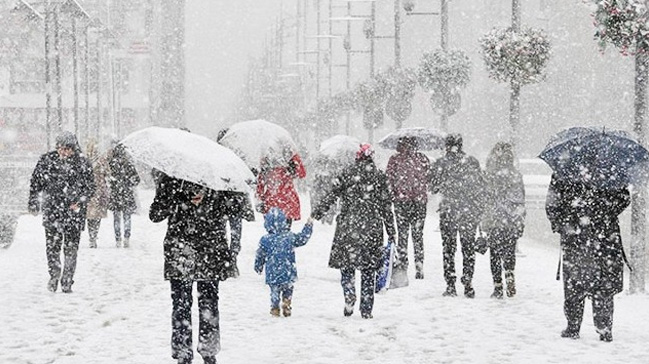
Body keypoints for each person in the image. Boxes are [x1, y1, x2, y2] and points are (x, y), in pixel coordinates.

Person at [149, 174, 238, 364]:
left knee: (208, 303)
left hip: (210, 250)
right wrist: (178, 199)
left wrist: (209, 198)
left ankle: (208, 351)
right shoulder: (172, 179)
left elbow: (235, 211)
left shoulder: (219, 180)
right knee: (182, 304)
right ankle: (183, 353)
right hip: (181, 251)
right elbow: (155, 214)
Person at [312, 143, 396, 319]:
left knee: (347, 265)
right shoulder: (379, 177)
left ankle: (349, 293)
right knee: (368, 270)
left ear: (357, 157)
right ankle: (366, 308)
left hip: (348, 225)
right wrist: (391, 230)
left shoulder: (347, 173)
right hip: (372, 227)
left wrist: (317, 213)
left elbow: (332, 195)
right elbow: (386, 207)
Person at [545, 173, 630, 342]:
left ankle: (573, 325)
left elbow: (552, 204)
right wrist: (605, 210)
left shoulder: (564, 170)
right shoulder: (610, 168)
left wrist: (563, 223)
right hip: (605, 235)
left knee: (574, 282)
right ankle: (604, 327)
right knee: (603, 282)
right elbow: (624, 198)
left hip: (575, 235)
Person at [28, 131, 95, 293]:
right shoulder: (46, 161)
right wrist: (34, 202)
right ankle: (54, 274)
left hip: (74, 212)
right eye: (60, 148)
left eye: (67, 149)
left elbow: (91, 188)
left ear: (73, 148)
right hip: (52, 210)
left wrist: (79, 200)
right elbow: (35, 183)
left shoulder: (82, 163)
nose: (63, 152)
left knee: (71, 248)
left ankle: (67, 279)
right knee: (52, 247)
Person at [430, 133, 486, 298]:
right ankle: (468, 282)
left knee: (448, 249)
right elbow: (481, 187)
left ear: (447, 146)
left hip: (449, 211)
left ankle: (450, 284)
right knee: (468, 249)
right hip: (468, 212)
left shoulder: (441, 163)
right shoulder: (472, 162)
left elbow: (433, 187)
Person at [481, 142, 526, 299]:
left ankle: (498, 286)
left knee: (494, 253)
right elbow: (521, 199)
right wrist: (520, 220)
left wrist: (484, 221)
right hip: (511, 220)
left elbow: (485, 199)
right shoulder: (516, 175)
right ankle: (509, 273)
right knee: (509, 251)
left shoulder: (490, 175)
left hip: (495, 219)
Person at [385, 136, 431, 283]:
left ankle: (403, 263)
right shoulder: (423, 159)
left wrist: (393, 196)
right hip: (419, 202)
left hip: (402, 201)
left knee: (403, 234)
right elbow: (429, 178)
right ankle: (419, 262)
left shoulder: (395, 160)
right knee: (418, 234)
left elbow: (389, 179)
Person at [254, 208, 313, 317]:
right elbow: (302, 239)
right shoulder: (289, 236)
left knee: (274, 290)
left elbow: (260, 255)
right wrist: (308, 226)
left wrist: (258, 266)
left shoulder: (265, 239)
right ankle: (287, 302)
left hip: (273, 271)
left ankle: (275, 307)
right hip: (288, 269)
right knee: (288, 288)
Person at [256, 146, 307, 226]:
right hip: (287, 200)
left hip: (271, 201)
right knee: (285, 232)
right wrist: (293, 164)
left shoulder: (266, 157)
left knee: (272, 232)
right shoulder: (290, 155)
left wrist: (260, 197)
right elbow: (302, 173)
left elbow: (260, 183)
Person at [108, 143, 140, 248]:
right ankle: (126, 237)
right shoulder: (129, 164)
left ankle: (118, 239)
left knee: (116, 218)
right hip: (126, 195)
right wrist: (129, 183)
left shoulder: (111, 164)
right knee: (127, 217)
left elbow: (108, 179)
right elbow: (137, 180)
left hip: (116, 195)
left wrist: (113, 183)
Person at [85, 139, 109, 248]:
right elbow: (107, 173)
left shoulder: (88, 160)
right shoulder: (88, 160)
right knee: (94, 216)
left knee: (93, 216)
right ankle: (93, 236)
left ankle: (93, 236)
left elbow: (107, 172)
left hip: (94, 191)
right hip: (95, 191)